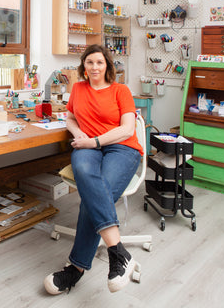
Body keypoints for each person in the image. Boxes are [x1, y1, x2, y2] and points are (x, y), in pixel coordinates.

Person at [44, 44, 143, 294]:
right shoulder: (77, 88)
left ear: (107, 65)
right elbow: (70, 117)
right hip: (87, 145)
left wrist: (94, 141)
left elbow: (128, 129)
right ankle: (119, 253)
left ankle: (74, 269)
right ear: (84, 66)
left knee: (96, 192)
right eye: (90, 62)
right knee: (90, 180)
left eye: (99, 62)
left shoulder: (121, 90)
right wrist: (79, 134)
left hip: (121, 148)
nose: (95, 67)